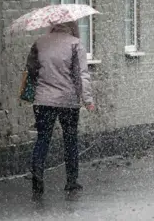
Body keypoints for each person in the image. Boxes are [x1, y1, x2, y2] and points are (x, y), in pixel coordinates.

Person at [26, 21, 94, 200]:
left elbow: (31, 71)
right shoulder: (75, 44)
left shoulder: (39, 43)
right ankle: (71, 181)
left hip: (43, 100)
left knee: (43, 139)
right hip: (68, 101)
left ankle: (37, 178)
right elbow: (82, 75)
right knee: (70, 140)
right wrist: (87, 100)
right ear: (71, 25)